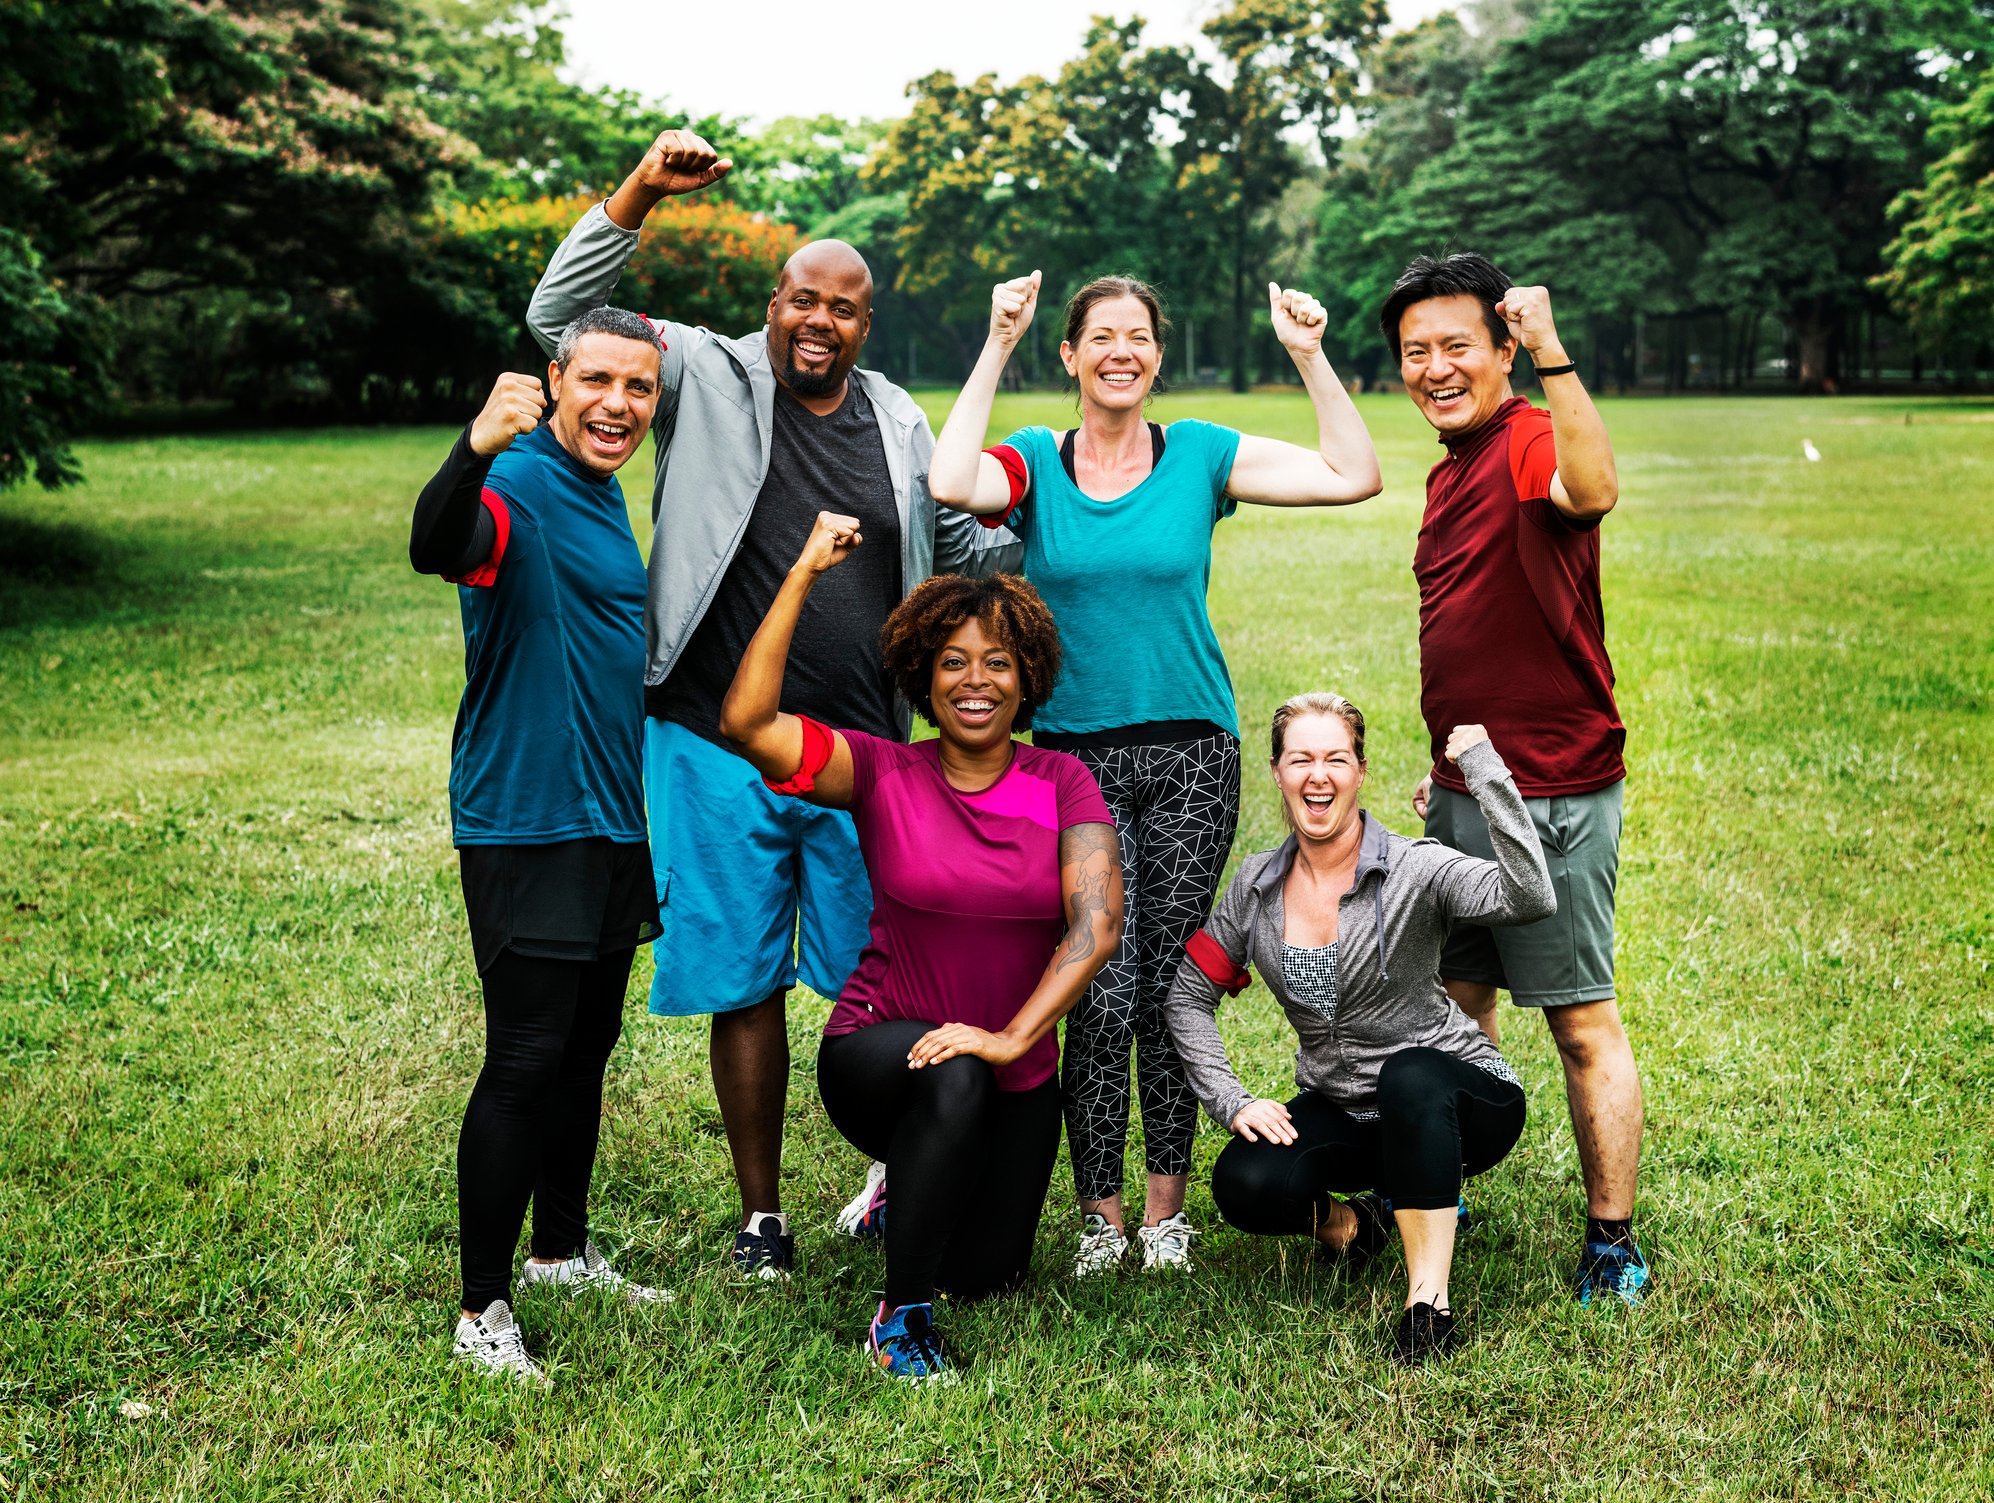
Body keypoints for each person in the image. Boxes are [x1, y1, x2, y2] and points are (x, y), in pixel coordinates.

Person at [524, 130, 1014, 1279]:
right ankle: (760, 1219)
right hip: (708, 737)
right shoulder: (702, 369)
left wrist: (1062, 527)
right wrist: (640, 190)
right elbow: (561, 322)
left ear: (862, 325)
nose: (818, 323)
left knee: (878, 976)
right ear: (773, 303)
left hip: (859, 754)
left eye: (843, 309)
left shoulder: (897, 418)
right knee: (742, 980)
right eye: (802, 300)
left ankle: (894, 1181)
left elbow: (958, 539)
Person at [925, 270, 1383, 1276]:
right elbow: (948, 481)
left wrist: (1307, 354)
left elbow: (1352, 474)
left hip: (1190, 754)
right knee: (1095, 981)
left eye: (1137, 336)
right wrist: (998, 338)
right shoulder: (1035, 462)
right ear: (1072, 354)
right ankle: (1100, 1218)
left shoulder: (1201, 455)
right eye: (1100, 337)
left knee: (1167, 984)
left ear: (1155, 355)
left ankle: (1165, 1216)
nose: (1119, 352)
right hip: (1072, 760)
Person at [717, 513, 1123, 1380]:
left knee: (990, 1274)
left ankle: (904, 1191)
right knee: (954, 1072)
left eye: (997, 663)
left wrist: (1014, 1037)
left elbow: (1097, 927)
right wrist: (800, 574)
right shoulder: (880, 769)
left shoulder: (1064, 781)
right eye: (952, 662)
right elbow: (748, 723)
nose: (975, 682)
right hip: (881, 1049)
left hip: (1013, 1069)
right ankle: (898, 1318)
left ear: (1029, 678)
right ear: (920, 676)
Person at [409, 306, 674, 1385]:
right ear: (556, 380)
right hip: (528, 816)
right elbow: (436, 544)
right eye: (598, 381)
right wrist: (471, 445)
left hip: (610, 816)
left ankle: (559, 1251)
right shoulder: (513, 480)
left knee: (583, 1048)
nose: (618, 404)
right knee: (524, 1056)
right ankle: (482, 1309)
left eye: (640, 390)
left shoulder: (602, 494)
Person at [1379, 252, 1649, 1305]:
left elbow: (1592, 489)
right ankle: (1454, 1188)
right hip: (1465, 789)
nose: (1435, 368)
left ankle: (1611, 1239)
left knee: (1577, 1018)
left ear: (1499, 350)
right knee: (1458, 1002)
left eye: (1456, 346)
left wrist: (1552, 353)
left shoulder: (1530, 433)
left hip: (1548, 793)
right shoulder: (1453, 463)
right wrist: (1444, 763)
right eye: (1415, 352)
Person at [1163, 694, 1554, 1364]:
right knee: (1245, 1182)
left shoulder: (1413, 866)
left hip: (1459, 1101)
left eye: (1336, 758)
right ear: (1278, 773)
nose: (1319, 775)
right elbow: (1187, 996)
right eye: (1301, 759)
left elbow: (1530, 896)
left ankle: (1427, 1302)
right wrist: (1233, 1099)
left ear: (1361, 770)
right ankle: (1357, 1226)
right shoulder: (1256, 887)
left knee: (1409, 1074)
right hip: (1347, 1106)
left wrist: (1487, 772)